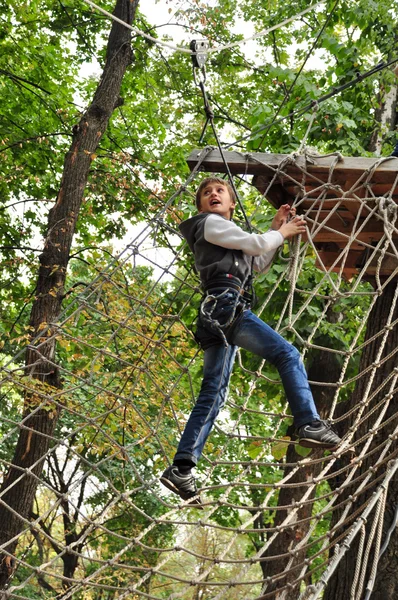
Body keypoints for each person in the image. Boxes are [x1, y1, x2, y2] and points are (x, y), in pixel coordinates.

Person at [161, 177, 341, 505]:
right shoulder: (209, 224)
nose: (213, 194)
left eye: (220, 191)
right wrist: (282, 233)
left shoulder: (228, 235)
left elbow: (256, 262)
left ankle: (182, 468)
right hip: (226, 308)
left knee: (213, 394)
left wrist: (275, 227)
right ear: (200, 205)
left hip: (216, 314)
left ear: (232, 203)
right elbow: (258, 245)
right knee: (287, 354)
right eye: (206, 193)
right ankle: (308, 422)